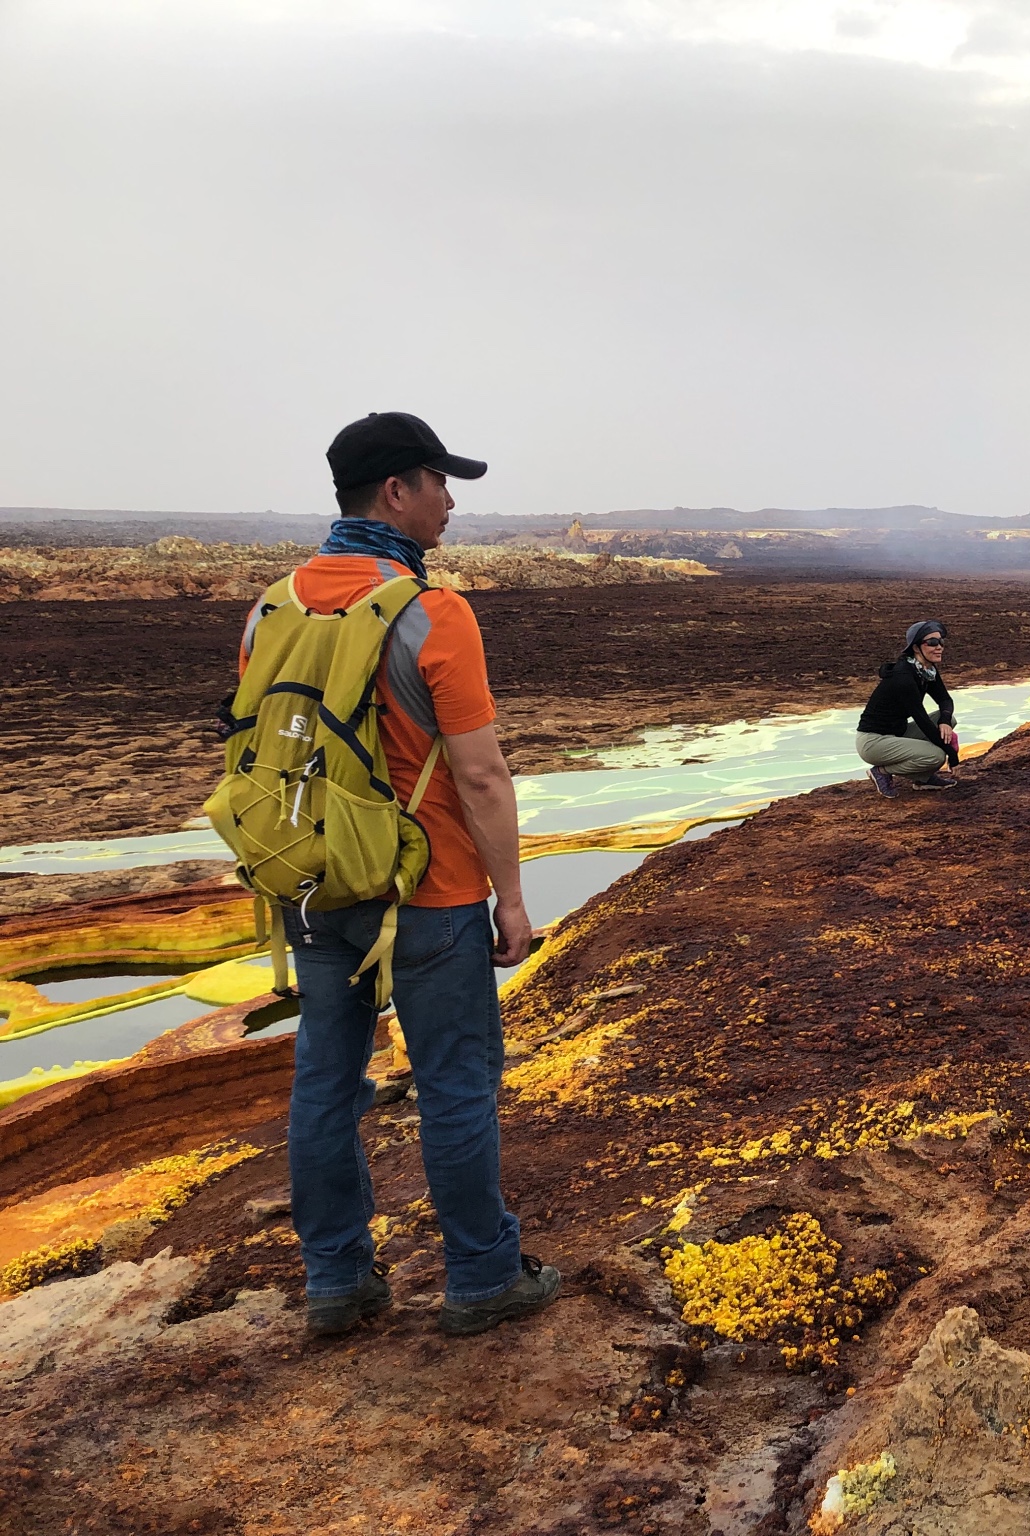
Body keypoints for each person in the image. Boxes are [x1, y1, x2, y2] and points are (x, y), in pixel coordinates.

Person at [262, 411, 557, 1337]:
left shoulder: (275, 605)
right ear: (396, 491)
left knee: (324, 1084)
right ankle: (480, 1276)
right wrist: (509, 898)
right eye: (438, 480)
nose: (451, 499)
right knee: (456, 1083)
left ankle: (336, 1282)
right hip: (424, 896)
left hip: (310, 886)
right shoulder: (434, 612)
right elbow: (480, 773)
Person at [856, 621, 960, 796]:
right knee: (935, 756)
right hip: (873, 742)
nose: (939, 647)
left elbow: (944, 699)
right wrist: (953, 755)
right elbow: (923, 721)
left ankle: (923, 778)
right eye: (932, 642)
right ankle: (881, 772)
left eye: (941, 642)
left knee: (950, 719)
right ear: (916, 647)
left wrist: (944, 720)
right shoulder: (904, 678)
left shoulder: (926, 671)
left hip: (897, 732)